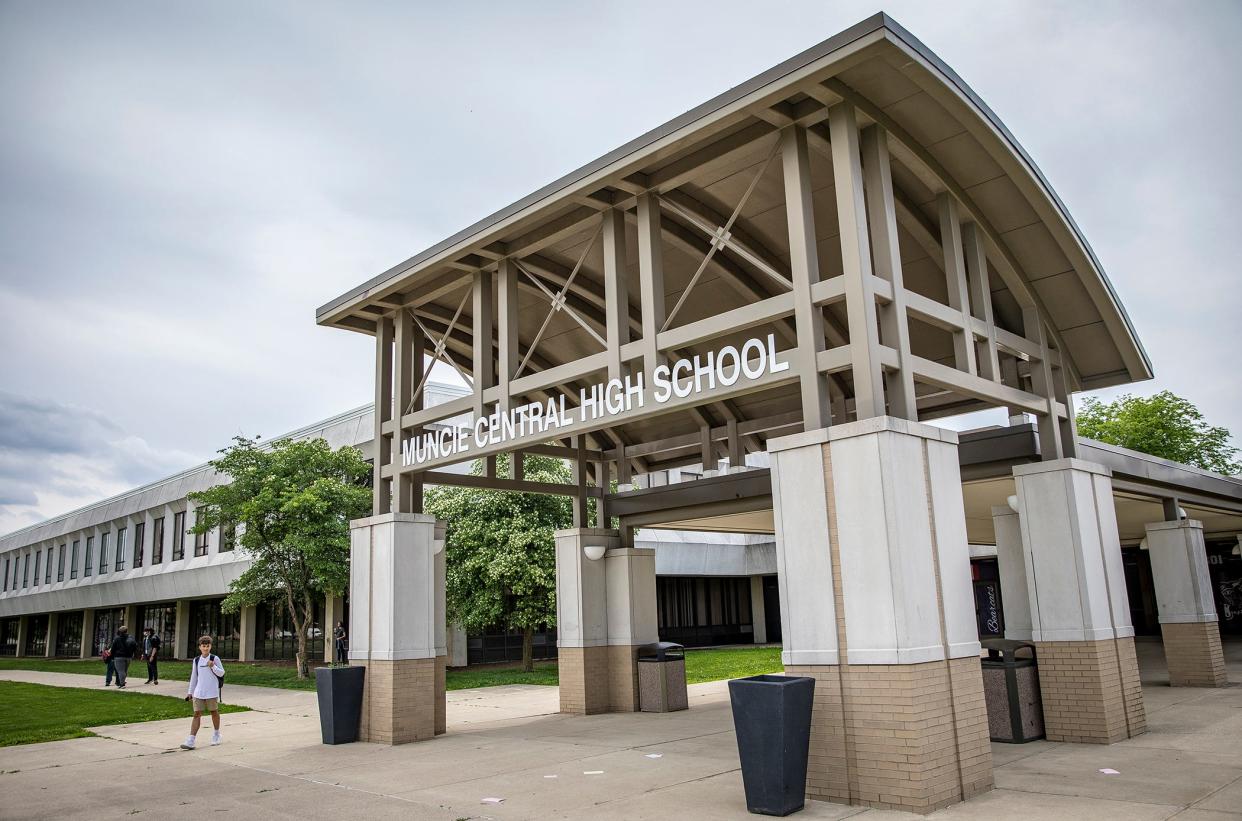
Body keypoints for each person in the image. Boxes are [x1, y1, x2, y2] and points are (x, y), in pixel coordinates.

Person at [181, 636, 225, 749]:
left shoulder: (215, 658)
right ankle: (191, 739)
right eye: (203, 646)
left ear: (210, 646)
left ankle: (216, 734)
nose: (205, 648)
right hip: (198, 692)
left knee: (213, 712)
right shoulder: (196, 660)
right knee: (196, 714)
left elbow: (221, 673)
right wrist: (190, 692)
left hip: (212, 691)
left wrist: (213, 666)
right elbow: (194, 677)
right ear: (200, 647)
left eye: (208, 646)